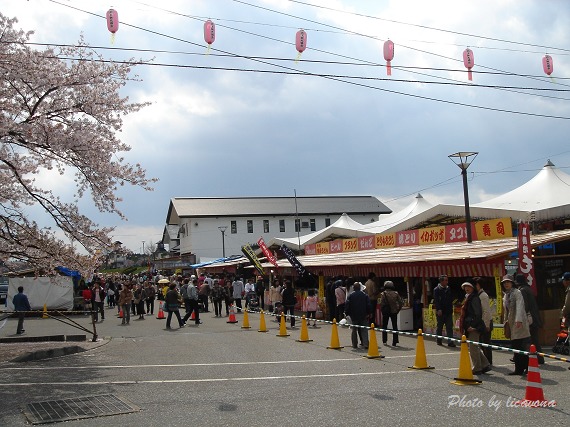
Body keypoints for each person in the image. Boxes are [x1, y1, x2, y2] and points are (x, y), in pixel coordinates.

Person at [459, 282, 491, 375]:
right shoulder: (469, 297)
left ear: (473, 287)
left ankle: (477, 368)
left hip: (474, 326)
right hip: (471, 325)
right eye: (465, 287)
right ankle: (485, 364)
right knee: (474, 346)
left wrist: (473, 326)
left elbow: (478, 314)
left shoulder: (474, 298)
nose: (466, 288)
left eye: (468, 286)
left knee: (473, 347)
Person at [502, 274, 530, 376]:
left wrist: (518, 320)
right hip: (511, 323)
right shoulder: (506, 295)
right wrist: (505, 322)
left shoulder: (517, 292)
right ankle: (518, 369)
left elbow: (520, 306)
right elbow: (506, 311)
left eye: (508, 282)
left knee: (522, 347)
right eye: (504, 283)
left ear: (512, 283)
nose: (506, 284)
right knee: (516, 347)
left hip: (520, 323)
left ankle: (527, 368)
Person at [516, 274, 544, 364]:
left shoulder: (522, 290)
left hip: (530, 319)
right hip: (534, 317)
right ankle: (539, 358)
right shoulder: (528, 289)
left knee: (531, 340)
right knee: (534, 339)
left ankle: (536, 359)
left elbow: (525, 306)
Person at [344, 282, 370, 349]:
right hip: (363, 315)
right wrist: (369, 313)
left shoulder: (350, 295)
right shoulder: (365, 295)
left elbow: (347, 305)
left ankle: (354, 344)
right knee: (364, 330)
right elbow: (368, 305)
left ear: (354, 288)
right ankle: (366, 344)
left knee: (354, 330)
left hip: (354, 316)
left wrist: (346, 313)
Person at [473, 277, 493, 365]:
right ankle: (485, 362)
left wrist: (487, 324)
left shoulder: (483, 295)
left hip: (486, 322)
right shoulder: (476, 295)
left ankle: (488, 361)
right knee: (481, 343)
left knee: (486, 343)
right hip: (480, 322)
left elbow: (486, 311)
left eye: (475, 284)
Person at [434, 274, 456, 347]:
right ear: (441, 281)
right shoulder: (437, 289)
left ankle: (450, 342)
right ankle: (439, 340)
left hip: (448, 311)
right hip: (441, 311)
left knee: (449, 327)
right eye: (445, 280)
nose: (447, 282)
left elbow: (451, 298)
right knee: (439, 326)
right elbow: (436, 301)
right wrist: (439, 309)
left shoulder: (448, 289)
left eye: (447, 280)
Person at [379, 281, 403, 346]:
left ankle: (384, 340)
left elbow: (381, 303)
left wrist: (382, 310)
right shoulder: (396, 293)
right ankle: (395, 341)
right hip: (394, 311)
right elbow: (400, 302)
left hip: (386, 311)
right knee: (395, 326)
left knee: (384, 326)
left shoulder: (383, 294)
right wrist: (398, 309)